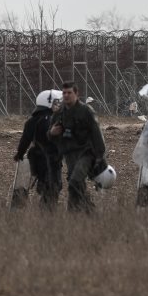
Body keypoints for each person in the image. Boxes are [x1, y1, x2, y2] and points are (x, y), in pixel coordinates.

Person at [49, 81, 108, 213]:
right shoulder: (59, 113)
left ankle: (74, 213)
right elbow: (50, 134)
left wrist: (100, 156)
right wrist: (52, 133)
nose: (66, 95)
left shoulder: (86, 111)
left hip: (86, 153)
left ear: (76, 94)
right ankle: (88, 214)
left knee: (75, 181)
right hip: (69, 154)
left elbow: (96, 133)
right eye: (64, 93)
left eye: (69, 92)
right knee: (76, 184)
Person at [13, 89, 64, 210]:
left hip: (36, 159)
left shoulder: (32, 120)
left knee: (47, 184)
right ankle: (46, 214)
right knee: (53, 186)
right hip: (51, 159)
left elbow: (25, 140)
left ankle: (41, 205)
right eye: (56, 103)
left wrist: (19, 154)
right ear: (49, 103)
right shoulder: (52, 120)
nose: (58, 106)